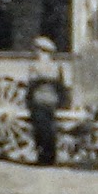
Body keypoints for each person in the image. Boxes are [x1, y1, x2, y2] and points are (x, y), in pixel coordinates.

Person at [27, 35, 66, 166]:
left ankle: (43, 156)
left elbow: (31, 83)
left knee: (40, 129)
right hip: (51, 100)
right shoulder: (56, 66)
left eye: (38, 50)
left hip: (39, 100)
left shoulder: (35, 66)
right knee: (49, 129)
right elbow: (60, 84)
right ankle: (50, 156)